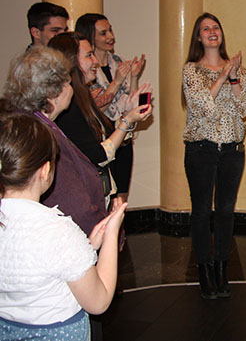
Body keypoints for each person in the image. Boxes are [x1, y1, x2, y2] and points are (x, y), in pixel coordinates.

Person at [0, 113, 126, 340]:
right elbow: (99, 301)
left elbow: (40, 267)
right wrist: (111, 234)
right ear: (45, 170)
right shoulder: (57, 232)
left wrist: (87, 246)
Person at [182, 13, 246, 299]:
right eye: (206, 29)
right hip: (202, 149)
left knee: (225, 211)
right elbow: (201, 107)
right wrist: (223, 75)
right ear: (198, 37)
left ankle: (222, 268)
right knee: (202, 211)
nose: (212, 31)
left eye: (216, 27)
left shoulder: (238, 69)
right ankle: (204, 269)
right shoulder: (192, 70)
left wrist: (233, 76)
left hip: (232, 150)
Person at [0, 45, 107, 236]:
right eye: (68, 83)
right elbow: (73, 203)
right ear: (53, 94)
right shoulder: (39, 136)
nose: (71, 89)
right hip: (70, 237)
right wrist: (107, 230)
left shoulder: (22, 123)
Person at [48, 32, 152, 210]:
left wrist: (128, 114)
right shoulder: (68, 107)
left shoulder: (83, 96)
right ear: (70, 61)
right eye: (89, 55)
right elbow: (98, 156)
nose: (95, 61)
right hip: (79, 200)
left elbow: (109, 136)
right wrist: (128, 120)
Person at [76, 13, 146, 207]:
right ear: (90, 36)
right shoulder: (85, 72)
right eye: (103, 33)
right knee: (102, 198)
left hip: (122, 139)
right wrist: (116, 82)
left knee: (121, 199)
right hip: (101, 141)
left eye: (111, 30)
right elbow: (94, 109)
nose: (111, 37)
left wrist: (134, 77)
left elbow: (129, 102)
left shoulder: (117, 61)